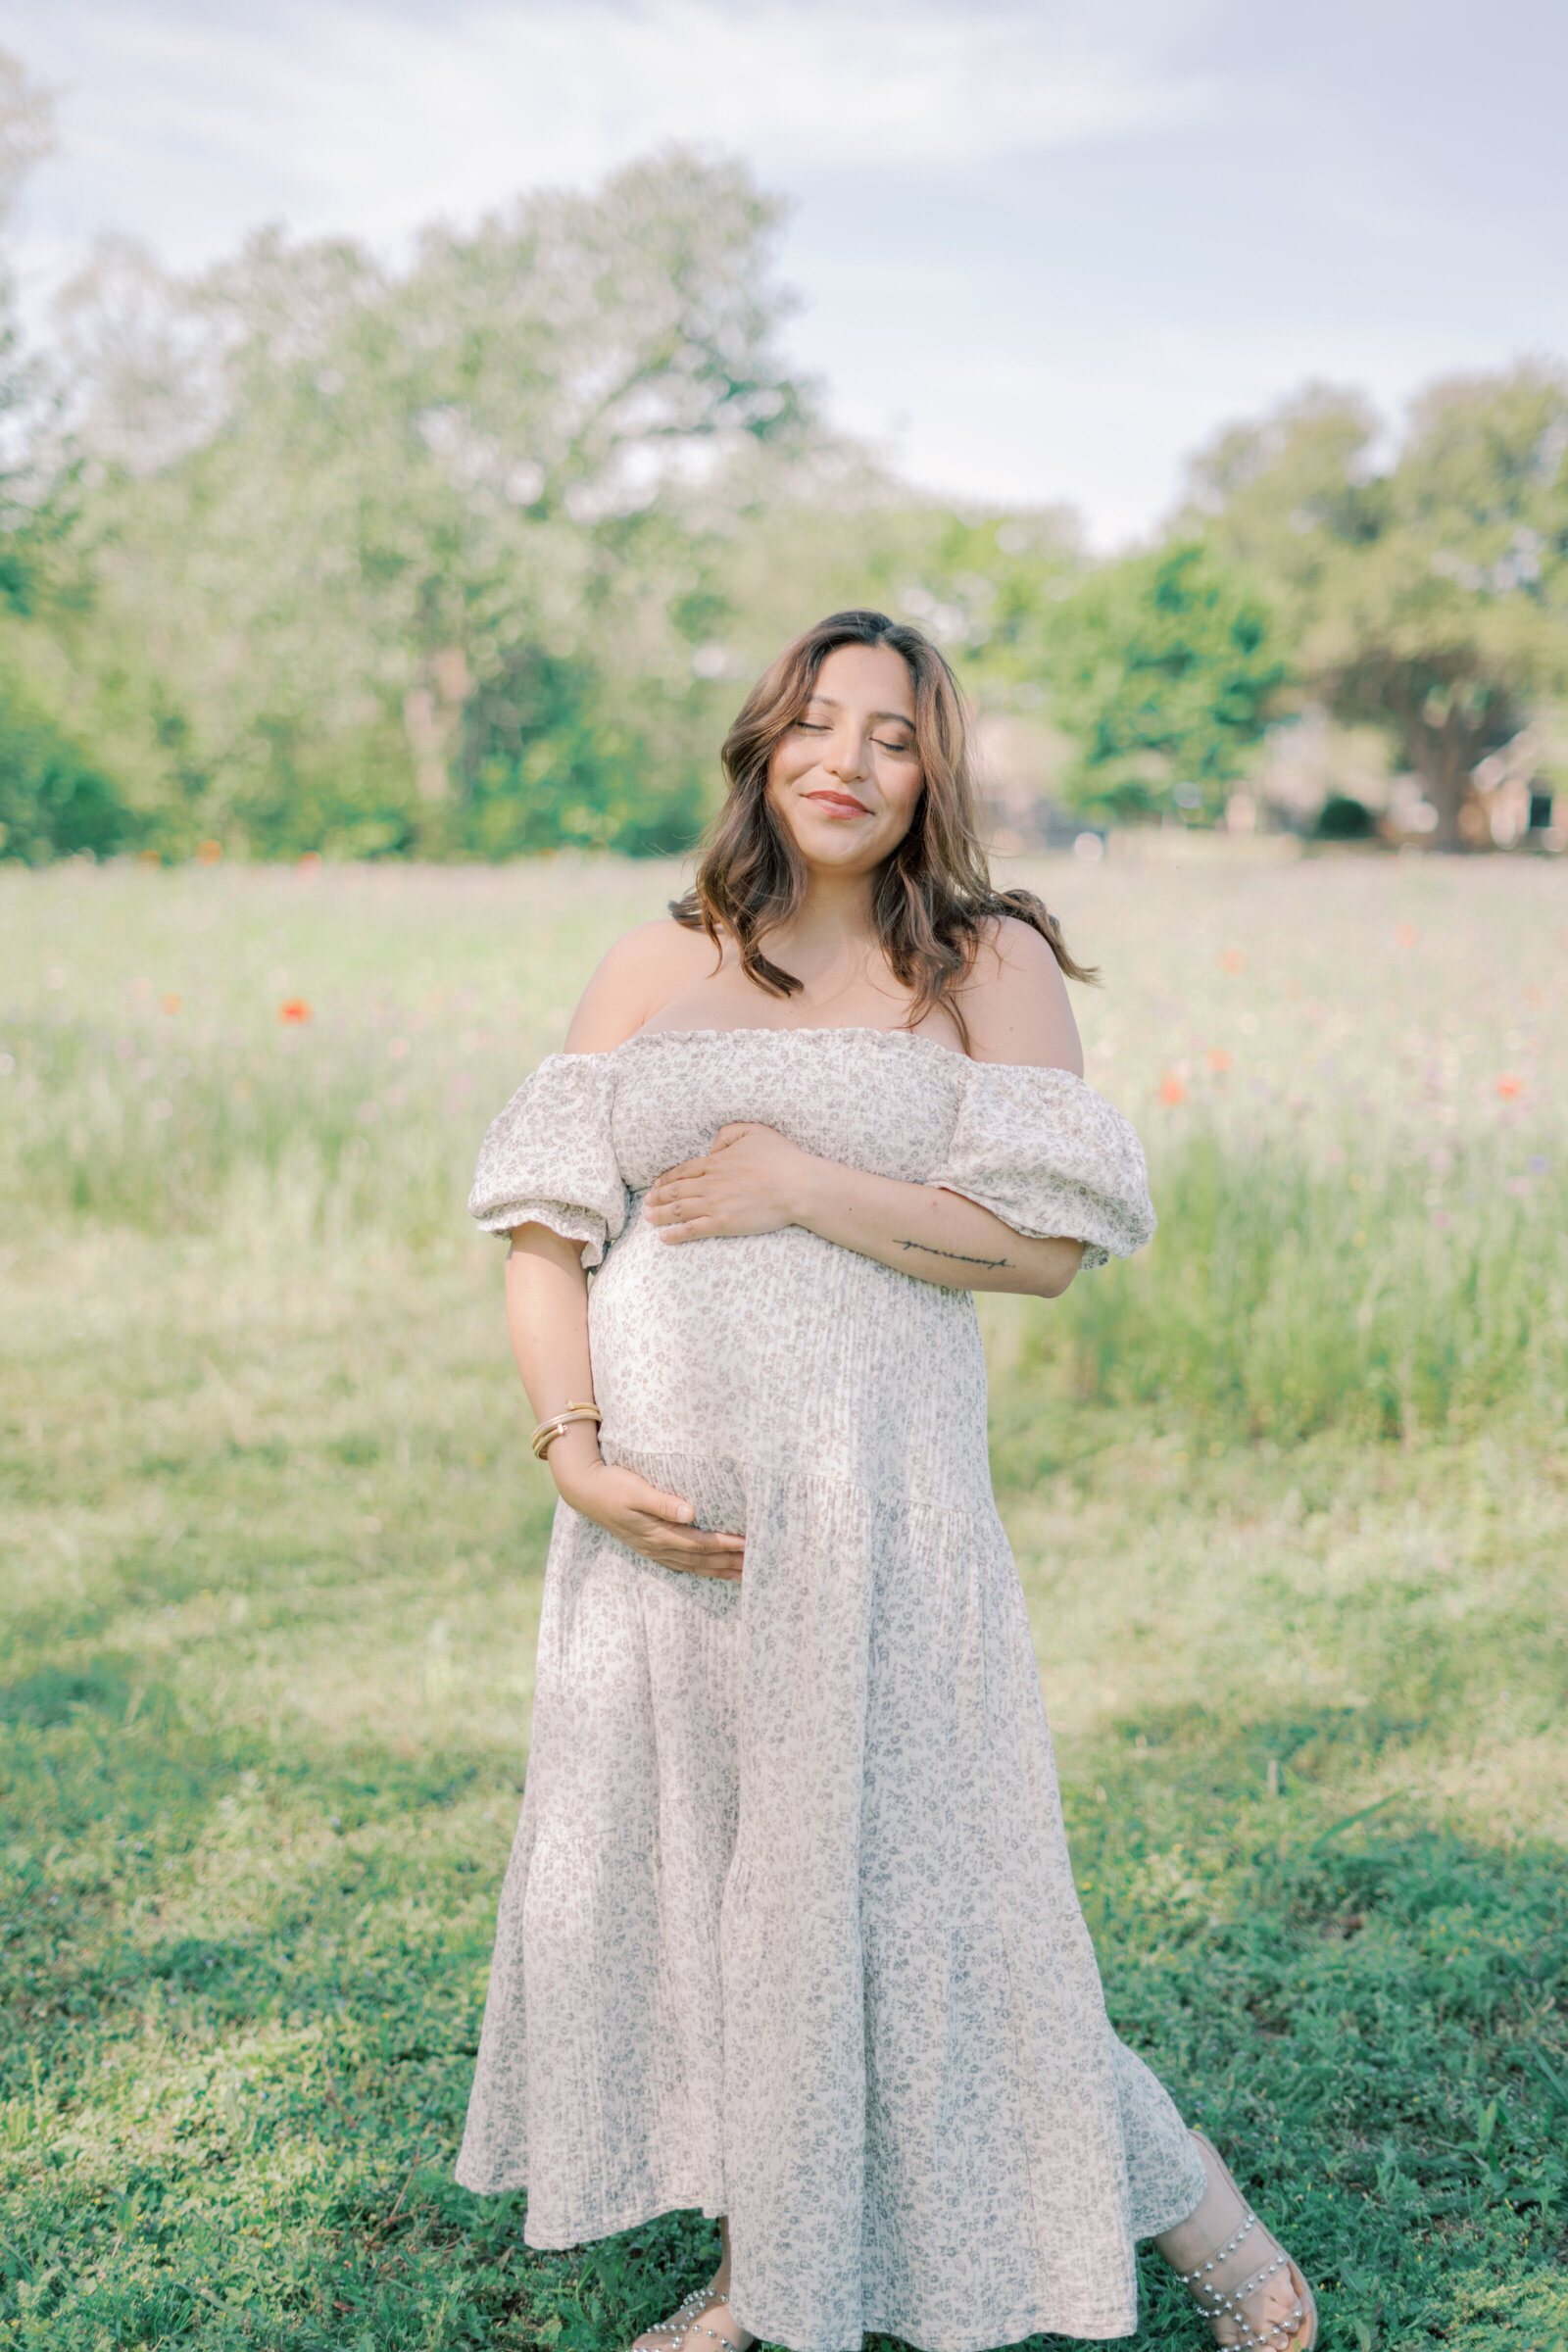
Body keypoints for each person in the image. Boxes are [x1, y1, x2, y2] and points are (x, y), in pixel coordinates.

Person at [457, 611, 1316, 2352]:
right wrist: (578, 1461)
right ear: (765, 746)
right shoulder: (654, 958)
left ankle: (1227, 2244)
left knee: (942, 1921)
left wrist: (797, 1180)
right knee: (724, 1907)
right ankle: (772, 2273)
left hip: (876, 1526)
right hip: (659, 1541)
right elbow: (545, 1234)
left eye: (895, 736)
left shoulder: (984, 962)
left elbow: (1041, 1252)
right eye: (818, 724)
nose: (847, 761)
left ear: (935, 777)